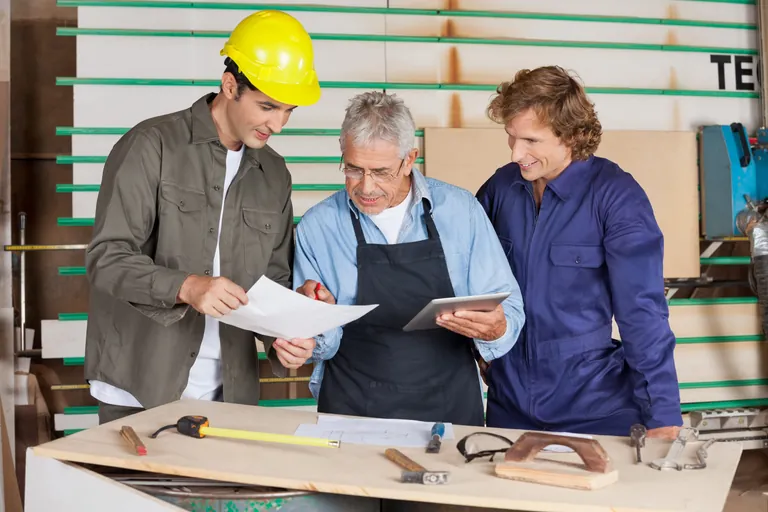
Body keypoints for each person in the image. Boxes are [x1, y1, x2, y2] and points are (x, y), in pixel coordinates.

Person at [83, 10, 321, 424]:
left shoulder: (274, 175)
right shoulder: (150, 146)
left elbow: (272, 281)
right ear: (230, 86)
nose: (278, 125)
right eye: (267, 106)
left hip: (230, 395)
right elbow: (107, 258)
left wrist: (284, 338)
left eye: (288, 110)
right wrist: (187, 287)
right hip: (140, 387)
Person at [290, 91, 526, 427]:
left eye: (381, 172)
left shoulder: (461, 212)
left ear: (409, 159)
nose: (366, 187)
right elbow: (319, 346)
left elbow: (509, 309)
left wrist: (497, 329)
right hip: (352, 408)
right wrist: (314, 324)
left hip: (449, 408)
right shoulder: (319, 226)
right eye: (354, 169)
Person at [476, 65, 682, 438]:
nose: (516, 153)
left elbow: (642, 311)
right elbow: (469, 277)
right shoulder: (500, 188)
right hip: (510, 404)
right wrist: (478, 350)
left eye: (531, 141)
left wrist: (662, 414)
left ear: (571, 135)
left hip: (596, 406)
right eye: (511, 137)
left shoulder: (616, 196)